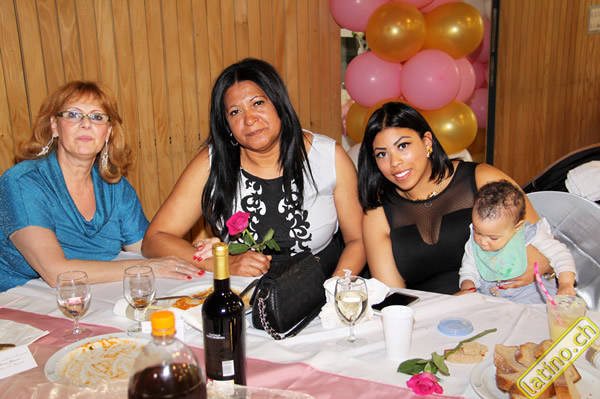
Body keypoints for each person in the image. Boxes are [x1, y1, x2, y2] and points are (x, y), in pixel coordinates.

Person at [142, 58, 365, 277]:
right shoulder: (212, 163)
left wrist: (337, 288)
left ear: (279, 104)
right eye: (235, 112)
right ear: (227, 125)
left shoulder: (329, 156)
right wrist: (222, 263)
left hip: (322, 286)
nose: (249, 119)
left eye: (258, 103)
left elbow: (358, 240)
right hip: (242, 292)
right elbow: (154, 239)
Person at [0, 81, 200, 292]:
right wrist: (146, 267)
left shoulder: (115, 186)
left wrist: (200, 252)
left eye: (97, 117)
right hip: (17, 301)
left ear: (108, 132)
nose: (86, 124)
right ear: (54, 126)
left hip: (92, 297)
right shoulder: (23, 182)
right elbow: (56, 273)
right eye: (73, 115)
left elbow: (146, 248)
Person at [358, 102, 551, 294]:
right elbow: (394, 296)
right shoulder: (378, 212)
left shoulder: (482, 179)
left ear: (427, 142)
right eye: (382, 154)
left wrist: (541, 263)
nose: (394, 162)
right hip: (427, 311)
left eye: (403, 146)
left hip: (501, 301)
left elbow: (546, 251)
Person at [457, 180, 576, 302]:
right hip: (490, 299)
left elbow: (561, 256)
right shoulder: (474, 241)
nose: (482, 241)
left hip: (531, 297)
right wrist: (468, 288)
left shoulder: (530, 234)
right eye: (477, 232)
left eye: (493, 238)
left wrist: (566, 284)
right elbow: (468, 270)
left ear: (517, 227)